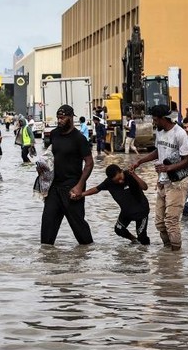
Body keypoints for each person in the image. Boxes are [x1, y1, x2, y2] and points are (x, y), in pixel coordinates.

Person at [129, 104, 188, 251]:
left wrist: (168, 168)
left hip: (179, 182)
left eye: (155, 119)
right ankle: (168, 252)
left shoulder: (180, 133)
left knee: (171, 221)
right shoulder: (159, 132)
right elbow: (159, 151)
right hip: (163, 180)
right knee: (160, 223)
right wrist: (140, 161)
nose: (154, 122)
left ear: (163, 118)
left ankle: (176, 255)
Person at [39, 104, 94, 245]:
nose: (59, 121)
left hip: (72, 187)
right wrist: (43, 170)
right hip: (54, 187)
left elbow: (89, 163)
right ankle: (47, 261)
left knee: (79, 228)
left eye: (62, 118)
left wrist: (79, 186)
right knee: (47, 226)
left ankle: (88, 254)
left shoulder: (79, 138)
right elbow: (50, 157)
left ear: (70, 118)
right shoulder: (54, 134)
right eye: (58, 118)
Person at [80, 164, 150, 245]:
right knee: (118, 229)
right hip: (126, 212)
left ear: (121, 171)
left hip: (141, 211)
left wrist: (134, 175)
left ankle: (146, 253)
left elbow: (145, 187)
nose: (120, 182)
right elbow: (96, 189)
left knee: (142, 238)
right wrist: (82, 194)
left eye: (120, 178)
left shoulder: (130, 175)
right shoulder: (109, 182)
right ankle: (134, 240)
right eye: (116, 181)